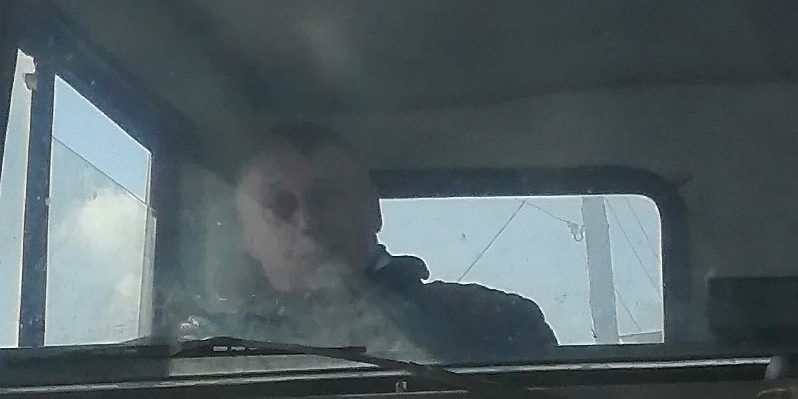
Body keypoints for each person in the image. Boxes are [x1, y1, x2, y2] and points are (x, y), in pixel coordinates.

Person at [201, 125, 560, 362]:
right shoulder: (208, 351)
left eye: (327, 196)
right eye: (279, 204)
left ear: (373, 210)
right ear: (246, 235)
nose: (308, 221)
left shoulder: (491, 326)